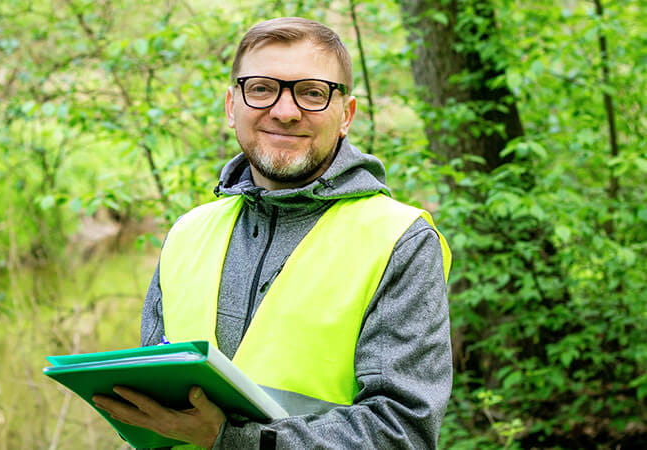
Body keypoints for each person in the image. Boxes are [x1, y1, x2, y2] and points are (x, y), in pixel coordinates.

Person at [93, 17, 452, 449]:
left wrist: (232, 440)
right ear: (232, 105)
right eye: (262, 89)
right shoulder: (188, 233)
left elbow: (403, 432)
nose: (285, 111)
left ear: (346, 115)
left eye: (312, 93)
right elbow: (155, 411)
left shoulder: (399, 239)